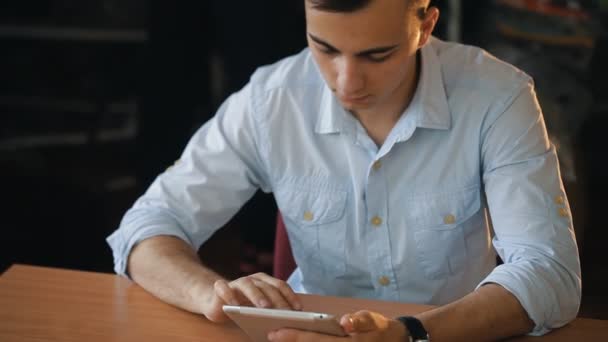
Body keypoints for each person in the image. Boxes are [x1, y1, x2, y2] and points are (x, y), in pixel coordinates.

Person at [106, 0, 581, 340]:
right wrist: (209, 291)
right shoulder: (271, 100)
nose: (346, 82)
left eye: (377, 54)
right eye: (325, 48)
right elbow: (144, 229)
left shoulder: (497, 97)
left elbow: (550, 274)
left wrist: (408, 334)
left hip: (447, 333)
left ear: (426, 24)